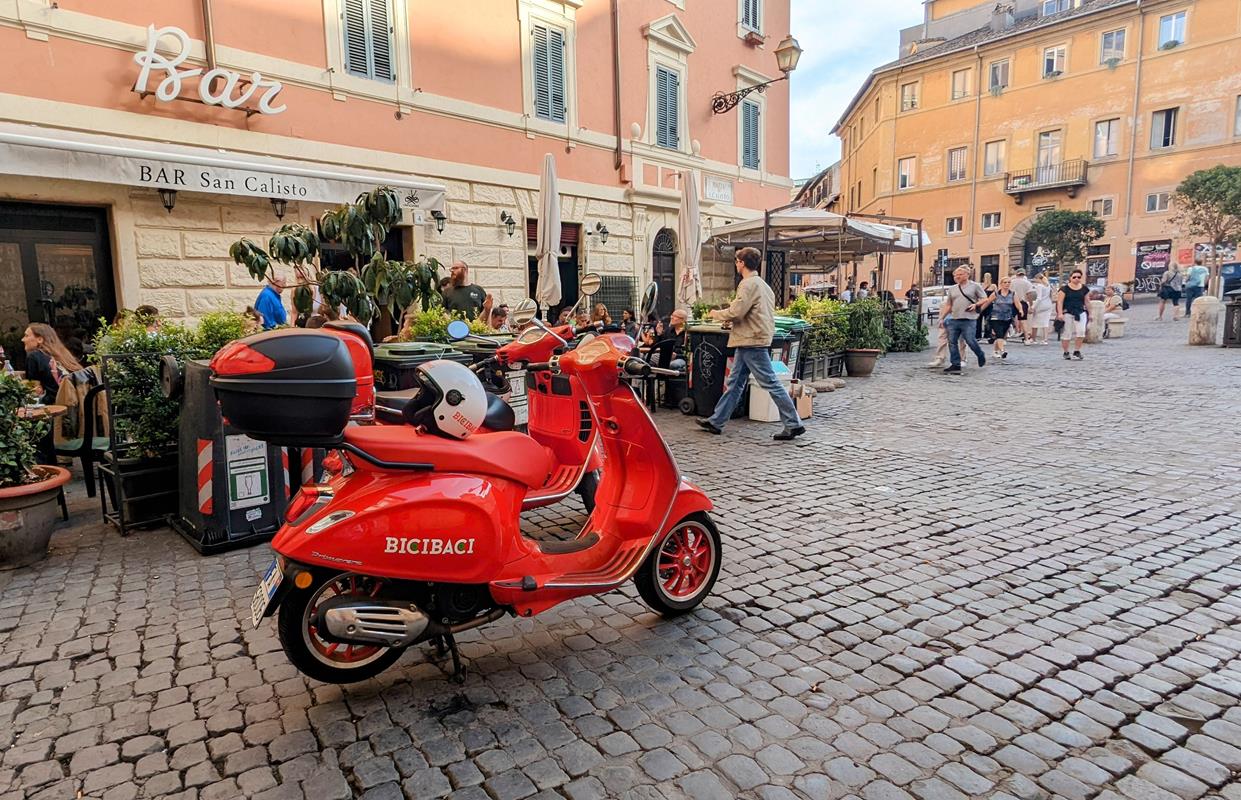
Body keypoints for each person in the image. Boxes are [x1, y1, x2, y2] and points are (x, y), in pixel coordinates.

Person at [696, 247, 804, 440]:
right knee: (735, 383)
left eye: (737, 261)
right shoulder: (764, 285)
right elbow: (752, 312)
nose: (736, 264)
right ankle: (716, 421)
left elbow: (737, 311)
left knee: (769, 382)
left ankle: (793, 422)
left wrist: (715, 314)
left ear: (742, 263)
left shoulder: (747, 285)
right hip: (752, 338)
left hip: (750, 340)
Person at [942, 266, 991, 375]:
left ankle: (980, 354)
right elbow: (949, 304)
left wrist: (976, 304)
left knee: (970, 340)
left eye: (959, 275)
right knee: (952, 342)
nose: (957, 277)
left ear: (967, 275)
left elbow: (985, 298)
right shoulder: (952, 289)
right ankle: (955, 364)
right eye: (955, 275)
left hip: (969, 318)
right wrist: (942, 317)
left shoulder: (975, 286)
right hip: (954, 318)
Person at [22, 323, 83, 405]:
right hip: (75, 402)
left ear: (40, 339)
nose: (23, 339)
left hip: (54, 406)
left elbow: (33, 391)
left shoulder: (34, 357)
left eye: (26, 336)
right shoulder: (62, 355)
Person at [1056, 269, 1091, 360]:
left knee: (1081, 332)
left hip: (1080, 312)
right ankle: (1066, 351)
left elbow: (1087, 301)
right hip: (1068, 312)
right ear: (1070, 278)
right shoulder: (1064, 289)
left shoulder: (1084, 288)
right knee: (1067, 333)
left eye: (1079, 277)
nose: (1076, 279)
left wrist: (1090, 313)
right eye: (1074, 277)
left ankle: (1077, 350)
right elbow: (1060, 302)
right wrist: (1060, 313)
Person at [988, 277, 1019, 362]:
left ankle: (995, 351)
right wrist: (979, 311)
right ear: (1001, 284)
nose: (1007, 284)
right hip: (995, 317)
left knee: (1001, 336)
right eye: (1005, 282)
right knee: (999, 334)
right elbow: (987, 302)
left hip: (1007, 317)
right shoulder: (996, 294)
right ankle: (1002, 351)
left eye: (1009, 282)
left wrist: (1021, 310)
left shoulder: (1012, 294)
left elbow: (1017, 303)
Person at [1027, 274, 1053, 345]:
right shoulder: (1048, 285)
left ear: (1037, 279)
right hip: (1048, 304)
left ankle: (1033, 338)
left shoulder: (1039, 286)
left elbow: (1039, 298)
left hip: (1040, 305)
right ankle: (1045, 339)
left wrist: (1032, 307)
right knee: (1046, 322)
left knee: (1035, 322)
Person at [1010, 270, 1033, 342]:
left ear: (1016, 274)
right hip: (1023, 302)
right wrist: (1031, 304)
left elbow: (1009, 292)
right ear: (1024, 274)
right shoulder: (1027, 283)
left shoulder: (1012, 282)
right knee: (1023, 321)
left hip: (1013, 302)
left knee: (1008, 320)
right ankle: (1026, 339)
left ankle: (1004, 338)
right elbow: (1029, 295)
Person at [977, 273, 997, 343]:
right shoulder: (993, 286)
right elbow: (996, 295)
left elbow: (978, 295)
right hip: (990, 305)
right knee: (988, 321)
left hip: (981, 304)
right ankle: (988, 335)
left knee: (978, 320)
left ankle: (977, 336)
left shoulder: (980, 285)